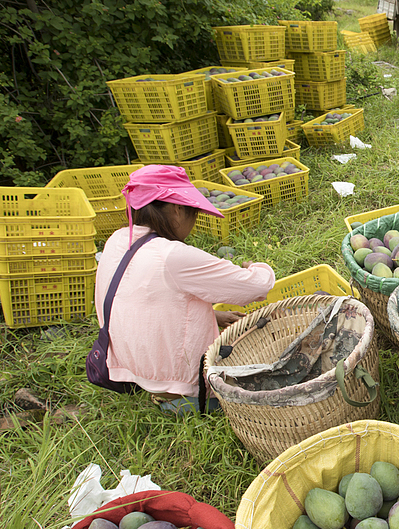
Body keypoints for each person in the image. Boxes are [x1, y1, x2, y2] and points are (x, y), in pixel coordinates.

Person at [95, 165, 276, 414]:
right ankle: (189, 402)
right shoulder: (172, 256)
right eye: (195, 214)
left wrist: (211, 315)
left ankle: (167, 396)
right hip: (180, 384)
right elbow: (257, 287)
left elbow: (143, 302)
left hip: (128, 370)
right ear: (178, 210)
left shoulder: (117, 239)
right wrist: (255, 266)